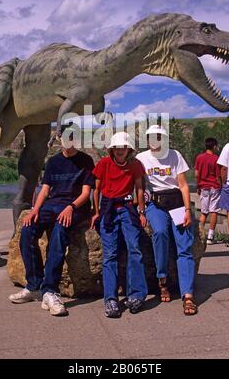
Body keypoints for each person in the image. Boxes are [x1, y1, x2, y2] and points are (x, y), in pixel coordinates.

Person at [9, 126, 95, 316]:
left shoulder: (86, 161)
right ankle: (34, 286)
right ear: (59, 138)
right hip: (51, 205)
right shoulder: (53, 161)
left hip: (75, 206)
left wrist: (71, 207)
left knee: (59, 232)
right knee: (28, 230)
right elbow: (45, 190)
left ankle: (50, 290)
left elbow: (86, 193)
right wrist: (35, 210)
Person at [136, 124, 197, 316]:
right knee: (160, 233)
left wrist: (188, 210)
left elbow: (183, 185)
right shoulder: (142, 158)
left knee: (184, 246)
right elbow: (139, 187)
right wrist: (141, 210)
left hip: (177, 202)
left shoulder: (174, 155)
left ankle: (188, 294)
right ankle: (162, 279)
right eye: (152, 137)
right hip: (156, 202)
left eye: (159, 137)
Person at [91, 131, 148, 318]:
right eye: (117, 148)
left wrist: (141, 211)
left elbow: (139, 188)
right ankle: (111, 299)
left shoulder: (135, 165)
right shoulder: (104, 164)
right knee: (110, 254)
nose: (121, 151)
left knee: (135, 248)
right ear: (112, 149)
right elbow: (96, 189)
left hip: (127, 206)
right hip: (108, 207)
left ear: (129, 149)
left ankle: (137, 294)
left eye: (124, 147)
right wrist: (96, 213)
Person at [194, 138, 221, 245]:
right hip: (214, 186)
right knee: (214, 211)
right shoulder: (216, 158)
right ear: (214, 146)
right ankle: (210, 236)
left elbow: (196, 174)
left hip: (204, 187)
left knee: (204, 212)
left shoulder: (199, 158)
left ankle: (199, 234)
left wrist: (198, 185)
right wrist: (221, 185)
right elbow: (218, 175)